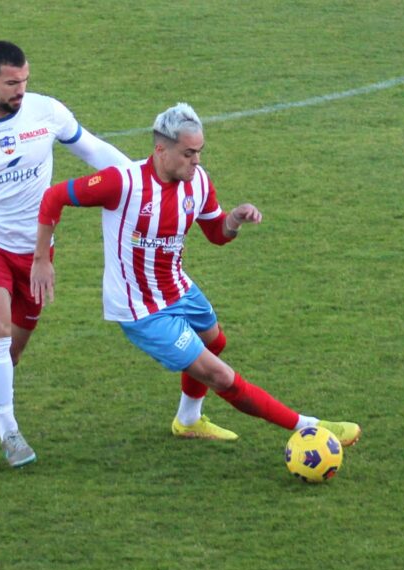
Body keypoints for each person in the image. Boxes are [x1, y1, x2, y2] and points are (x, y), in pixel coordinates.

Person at [30, 103, 361, 448]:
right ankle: (310, 427)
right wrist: (42, 258)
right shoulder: (123, 182)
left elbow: (217, 233)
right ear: (161, 149)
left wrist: (234, 219)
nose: (197, 161)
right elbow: (54, 196)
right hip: (142, 309)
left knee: (215, 342)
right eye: (188, 154)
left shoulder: (198, 181)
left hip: (177, 287)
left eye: (199, 152)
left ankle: (188, 420)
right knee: (220, 374)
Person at [0, 41, 131, 468]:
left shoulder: (45, 112)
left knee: (7, 356)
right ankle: (10, 435)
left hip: (35, 250)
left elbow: (92, 149)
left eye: (25, 80)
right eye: (12, 83)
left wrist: (137, 176)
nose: (21, 90)